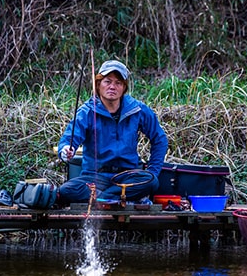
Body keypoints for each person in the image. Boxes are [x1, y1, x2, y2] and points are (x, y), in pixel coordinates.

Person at [57, 60, 168, 206]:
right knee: (67, 190)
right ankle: (120, 199)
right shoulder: (86, 112)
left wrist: (152, 171)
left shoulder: (138, 110)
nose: (112, 87)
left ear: (124, 88)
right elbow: (68, 140)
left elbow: (160, 140)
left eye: (118, 83)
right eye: (107, 81)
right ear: (98, 84)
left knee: (152, 182)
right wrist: (65, 150)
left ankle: (104, 199)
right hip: (95, 177)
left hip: (128, 177)